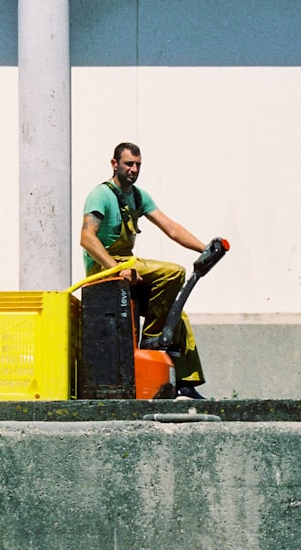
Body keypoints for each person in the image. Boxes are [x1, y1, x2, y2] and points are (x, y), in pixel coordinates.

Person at [80, 142, 208, 400]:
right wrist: (115, 268)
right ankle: (151, 343)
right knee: (173, 273)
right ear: (114, 164)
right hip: (104, 267)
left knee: (177, 316)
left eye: (138, 164)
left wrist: (205, 249)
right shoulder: (101, 195)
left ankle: (184, 383)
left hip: (127, 264)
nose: (134, 169)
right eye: (129, 164)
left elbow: (171, 228)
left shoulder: (138, 196)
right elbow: (87, 238)